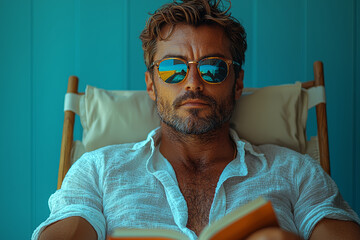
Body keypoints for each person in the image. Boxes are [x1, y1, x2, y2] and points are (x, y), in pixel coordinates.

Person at [33, 0, 360, 239]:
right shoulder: (98, 171)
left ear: (238, 83)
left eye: (212, 68)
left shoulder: (295, 172)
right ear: (151, 84)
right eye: (173, 68)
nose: (192, 83)